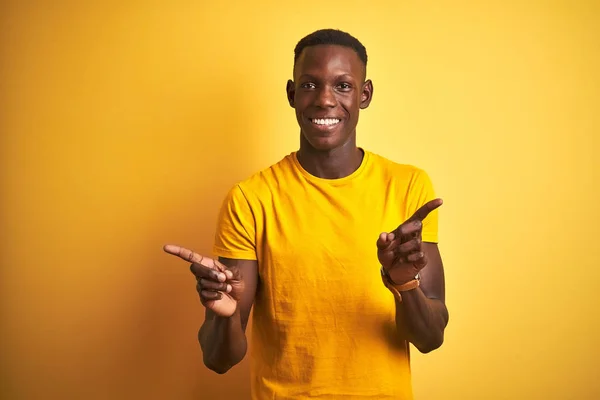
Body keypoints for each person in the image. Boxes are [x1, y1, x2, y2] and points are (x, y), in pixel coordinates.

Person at [164, 28, 449, 400]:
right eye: (310, 85)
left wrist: (403, 284)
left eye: (343, 86)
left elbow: (430, 338)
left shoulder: (408, 186)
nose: (325, 100)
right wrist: (224, 315)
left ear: (365, 95)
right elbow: (219, 359)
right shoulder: (251, 199)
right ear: (292, 94)